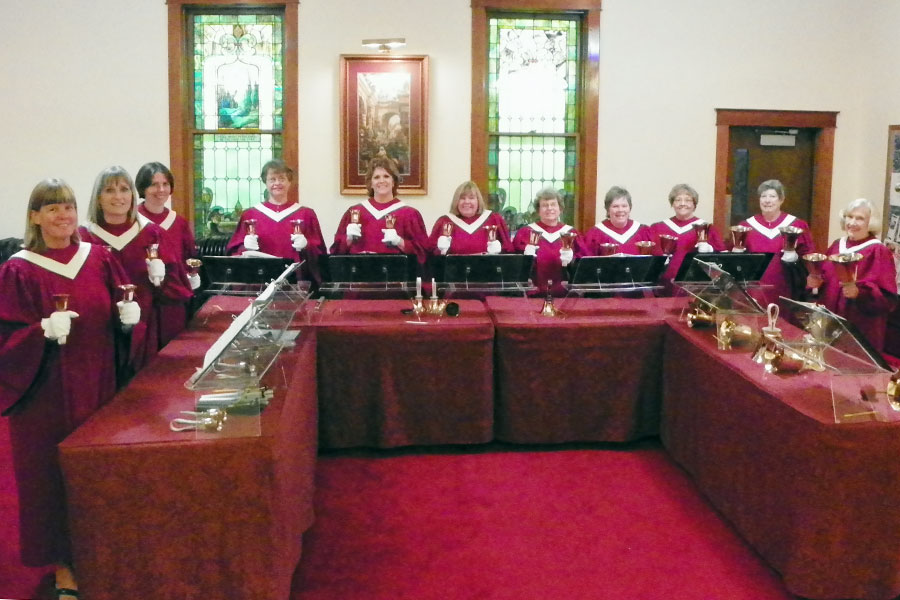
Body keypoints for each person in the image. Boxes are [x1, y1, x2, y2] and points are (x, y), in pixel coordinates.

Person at [0, 179, 140, 599]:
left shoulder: (98, 259)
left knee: (100, 470)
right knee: (54, 476)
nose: (63, 216)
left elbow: (119, 313)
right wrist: (38, 331)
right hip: (46, 395)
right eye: (53, 208)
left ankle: (103, 552)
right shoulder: (18, 270)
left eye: (69, 207)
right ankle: (65, 564)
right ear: (35, 216)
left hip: (98, 383)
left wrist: (128, 321)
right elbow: (5, 339)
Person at [80, 166, 193, 374]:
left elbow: (176, 290)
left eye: (124, 189)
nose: (118, 197)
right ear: (98, 198)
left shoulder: (152, 234)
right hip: (102, 331)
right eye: (109, 190)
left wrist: (163, 278)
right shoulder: (85, 237)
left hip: (147, 326)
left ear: (132, 195)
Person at [807, 199, 898, 351]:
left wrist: (860, 293)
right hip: (829, 325)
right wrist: (814, 285)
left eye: (860, 218)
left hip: (860, 329)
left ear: (870, 222)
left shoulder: (878, 251)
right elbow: (823, 279)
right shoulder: (837, 245)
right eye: (849, 216)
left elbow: (888, 300)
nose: (852, 222)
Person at [226, 159, 327, 285]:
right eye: (272, 179)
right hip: (259, 281)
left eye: (282, 179)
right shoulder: (250, 215)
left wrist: (307, 245)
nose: (277, 183)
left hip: (295, 282)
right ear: (265, 183)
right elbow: (232, 254)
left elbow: (320, 253)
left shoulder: (306, 214)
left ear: (289, 182)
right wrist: (243, 247)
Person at [135, 161, 199, 346]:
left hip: (173, 299)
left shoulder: (178, 222)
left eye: (165, 184)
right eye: (154, 184)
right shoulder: (134, 220)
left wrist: (192, 276)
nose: (161, 189)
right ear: (143, 188)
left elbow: (189, 256)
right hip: (145, 297)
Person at [330, 157, 429, 266]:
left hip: (395, 277)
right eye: (376, 177)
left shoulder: (409, 214)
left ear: (393, 182)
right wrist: (347, 240)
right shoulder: (354, 212)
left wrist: (400, 242)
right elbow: (335, 254)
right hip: (360, 277)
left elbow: (423, 255)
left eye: (386, 176)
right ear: (370, 183)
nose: (382, 181)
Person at [734, 179, 814, 305]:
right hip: (754, 290)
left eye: (772, 196)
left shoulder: (796, 225)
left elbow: (808, 257)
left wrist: (795, 258)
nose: (767, 200)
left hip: (786, 288)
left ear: (781, 200)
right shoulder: (746, 226)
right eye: (763, 196)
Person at [650, 183, 725, 293]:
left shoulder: (707, 228)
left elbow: (721, 259)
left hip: (696, 288)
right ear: (672, 203)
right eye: (678, 200)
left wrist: (710, 250)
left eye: (688, 200)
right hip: (664, 287)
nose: (682, 204)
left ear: (694, 204)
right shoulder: (657, 228)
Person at [512, 187, 579, 296]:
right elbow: (513, 266)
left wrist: (573, 260)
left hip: (564, 295)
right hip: (533, 295)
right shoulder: (525, 233)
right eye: (544, 205)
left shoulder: (571, 233)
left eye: (553, 204)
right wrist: (525, 257)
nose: (549, 208)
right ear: (538, 210)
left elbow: (583, 266)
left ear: (560, 208)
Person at [428, 181, 512, 256]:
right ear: (456, 201)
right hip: (454, 272)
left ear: (478, 200)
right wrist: (440, 251)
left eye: (471, 198)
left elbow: (509, 253)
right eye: (462, 198)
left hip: (487, 271)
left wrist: (499, 253)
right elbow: (430, 256)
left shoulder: (494, 220)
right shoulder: (444, 222)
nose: (467, 202)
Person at [578, 186, 657, 256]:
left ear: (630, 208)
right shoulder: (595, 234)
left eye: (624, 206)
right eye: (615, 206)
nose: (620, 210)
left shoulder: (643, 232)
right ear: (608, 209)